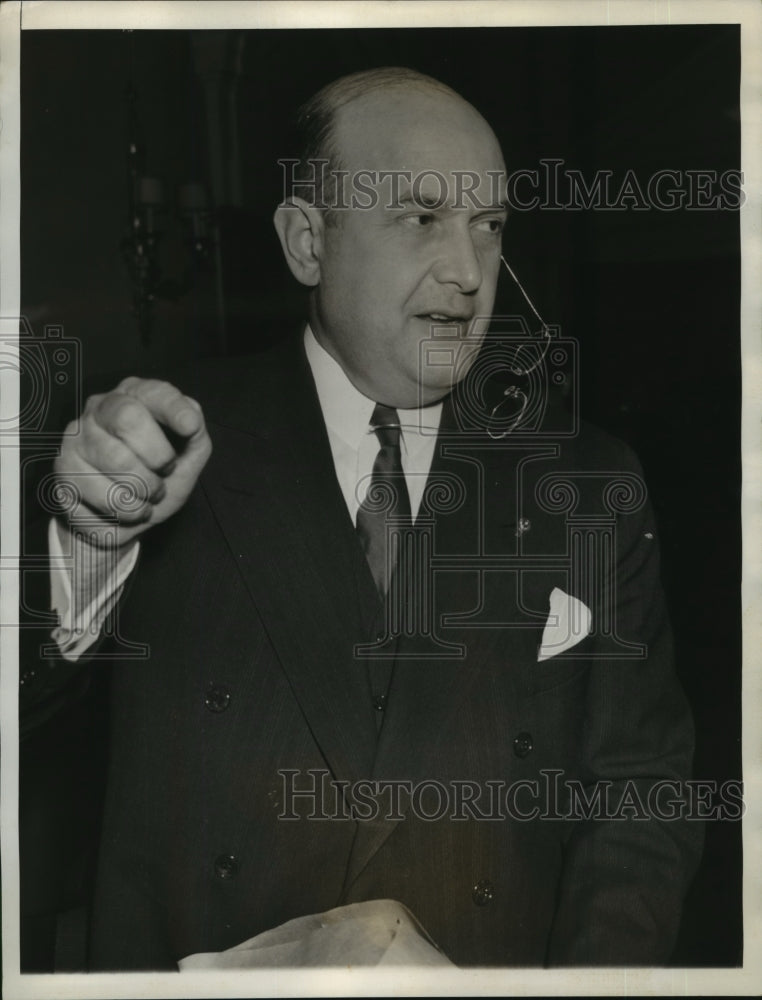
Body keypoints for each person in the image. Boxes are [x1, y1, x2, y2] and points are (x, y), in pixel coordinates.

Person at [21, 66, 701, 970]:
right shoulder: (172, 442)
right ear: (309, 242)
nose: (467, 272)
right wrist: (91, 541)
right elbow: (35, 737)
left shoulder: (587, 481)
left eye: (488, 226)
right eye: (421, 218)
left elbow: (640, 804)